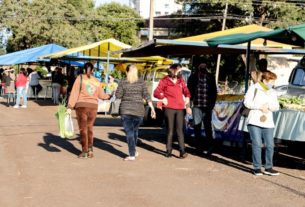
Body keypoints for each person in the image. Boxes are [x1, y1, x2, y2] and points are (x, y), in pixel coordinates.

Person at [67, 62, 110, 158]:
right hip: (93, 107)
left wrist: (70, 107)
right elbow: (102, 95)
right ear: (93, 70)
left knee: (83, 129)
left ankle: (84, 151)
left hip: (81, 106)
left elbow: (74, 93)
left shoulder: (80, 78)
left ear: (83, 69)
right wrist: (109, 96)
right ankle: (90, 149)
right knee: (90, 127)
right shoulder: (96, 81)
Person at [116, 64, 156, 161]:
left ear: (127, 71)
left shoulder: (123, 81)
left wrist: (116, 91)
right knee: (134, 131)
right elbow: (147, 95)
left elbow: (118, 95)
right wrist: (152, 109)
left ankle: (132, 154)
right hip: (139, 111)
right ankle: (134, 150)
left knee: (129, 132)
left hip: (126, 110)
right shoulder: (141, 82)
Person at [244, 70, 280, 176]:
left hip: (268, 122)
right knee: (257, 144)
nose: (273, 84)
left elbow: (276, 106)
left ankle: (268, 167)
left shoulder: (273, 92)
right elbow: (247, 102)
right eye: (271, 81)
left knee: (270, 145)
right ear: (265, 80)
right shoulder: (254, 88)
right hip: (254, 120)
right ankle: (257, 167)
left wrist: (268, 107)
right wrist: (259, 107)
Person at [153, 64, 191, 158]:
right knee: (170, 130)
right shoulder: (164, 80)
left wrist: (187, 99)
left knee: (180, 130)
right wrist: (163, 98)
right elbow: (156, 92)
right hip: (169, 108)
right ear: (173, 70)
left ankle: (182, 151)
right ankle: (168, 150)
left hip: (180, 108)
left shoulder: (181, 81)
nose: (180, 72)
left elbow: (186, 91)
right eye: (178, 70)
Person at [187, 63, 217, 155]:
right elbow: (188, 91)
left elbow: (214, 91)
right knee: (197, 127)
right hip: (197, 105)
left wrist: (212, 105)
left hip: (207, 106)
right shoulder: (193, 76)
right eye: (201, 65)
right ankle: (198, 148)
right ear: (198, 66)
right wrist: (189, 104)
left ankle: (210, 147)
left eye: (205, 65)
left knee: (208, 127)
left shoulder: (210, 76)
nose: (203, 67)